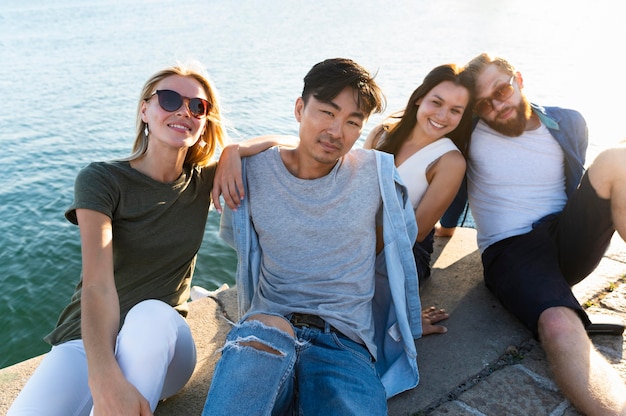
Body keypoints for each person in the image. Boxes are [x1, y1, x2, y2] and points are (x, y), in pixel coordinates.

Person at [8, 63, 282, 416]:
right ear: (144, 110)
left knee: (149, 313)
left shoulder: (203, 182)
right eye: (169, 99)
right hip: (86, 340)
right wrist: (104, 378)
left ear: (203, 122)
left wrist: (234, 151)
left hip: (163, 343)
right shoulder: (102, 180)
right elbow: (97, 286)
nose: (184, 110)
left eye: (197, 106)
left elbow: (291, 143)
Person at [201, 58, 423, 415]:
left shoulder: (374, 174)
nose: (337, 131)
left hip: (345, 345)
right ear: (300, 108)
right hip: (269, 329)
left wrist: (399, 319)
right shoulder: (250, 173)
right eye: (327, 112)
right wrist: (232, 150)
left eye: (353, 122)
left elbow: (395, 256)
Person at [452, 53, 626, 415]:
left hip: (565, 237)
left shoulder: (566, 121)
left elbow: (577, 185)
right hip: (512, 251)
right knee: (559, 324)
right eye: (484, 102)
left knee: (616, 159)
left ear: (518, 79)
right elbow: (429, 137)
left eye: (502, 89)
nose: (498, 105)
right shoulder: (468, 134)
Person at [363, 64, 473, 291]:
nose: (442, 116)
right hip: (359, 235)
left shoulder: (449, 161)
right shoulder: (382, 133)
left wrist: (352, 253)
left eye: (455, 110)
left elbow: (417, 230)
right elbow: (352, 186)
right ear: (419, 98)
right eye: (436, 102)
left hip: (405, 254)